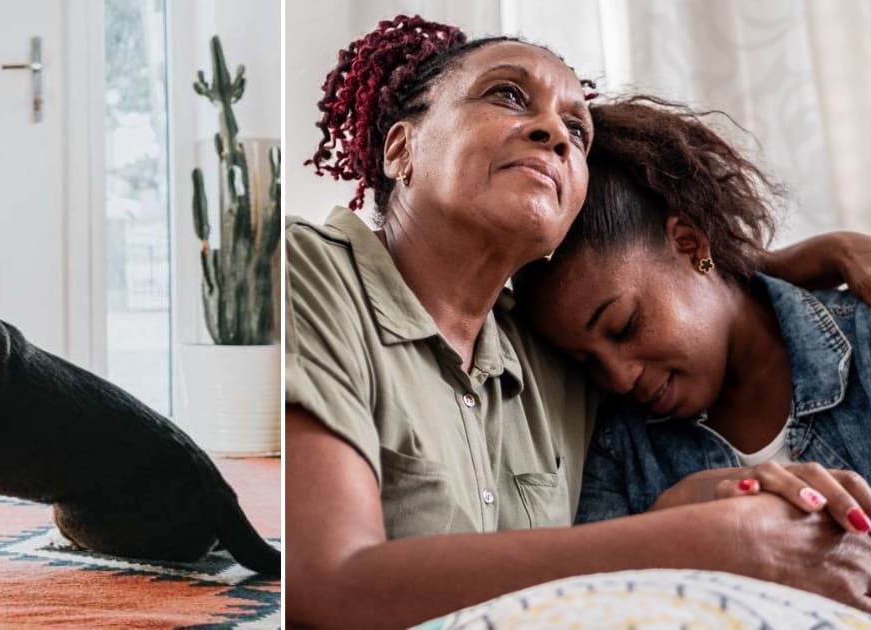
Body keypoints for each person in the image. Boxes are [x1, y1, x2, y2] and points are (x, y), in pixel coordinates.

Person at [286, 15, 871, 629]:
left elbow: (687, 283)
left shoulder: (553, 360)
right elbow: (321, 583)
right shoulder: (312, 271)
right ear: (401, 147)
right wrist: (692, 539)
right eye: (507, 94)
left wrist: (803, 257)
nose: (554, 133)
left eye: (577, 131)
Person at [512, 96, 871, 528]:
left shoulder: (862, 338)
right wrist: (669, 521)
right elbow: (598, 587)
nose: (620, 379)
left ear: (689, 244)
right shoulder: (617, 444)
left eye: (623, 327)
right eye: (586, 361)